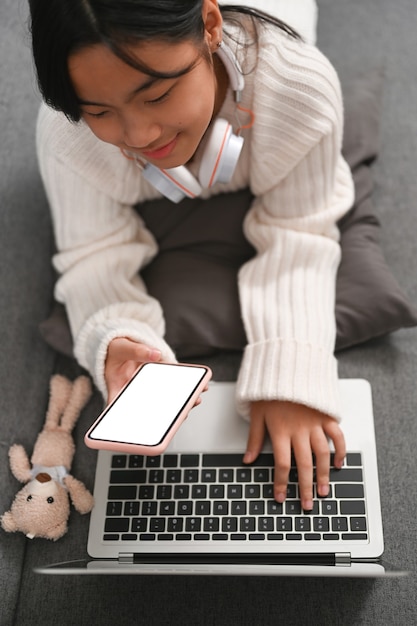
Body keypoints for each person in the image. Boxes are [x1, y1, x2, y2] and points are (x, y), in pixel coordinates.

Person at [28, 0, 354, 512]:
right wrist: (117, 341)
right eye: (99, 112)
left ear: (210, 26)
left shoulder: (299, 89)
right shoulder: (66, 132)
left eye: (157, 94)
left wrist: (291, 375)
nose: (137, 137)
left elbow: (301, 227)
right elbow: (92, 254)